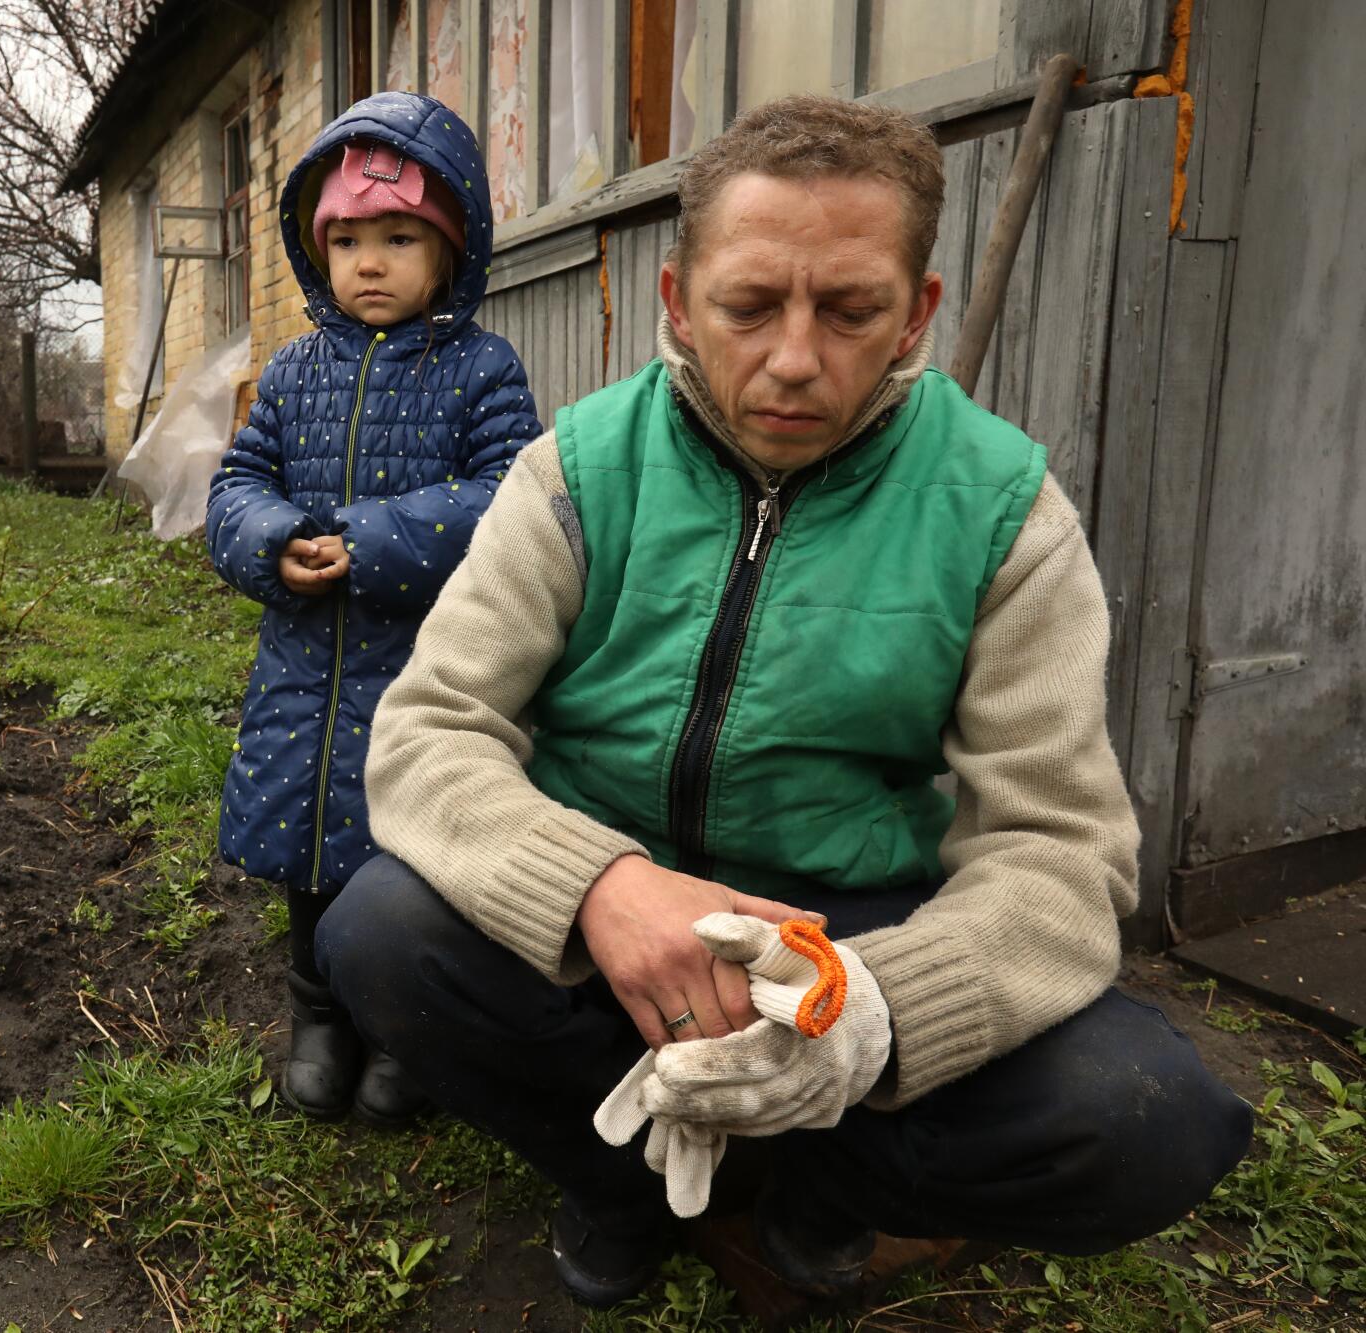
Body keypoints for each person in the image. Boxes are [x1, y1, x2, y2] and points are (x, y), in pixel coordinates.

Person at [316, 95, 1253, 1307]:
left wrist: (871, 1012)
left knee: (1147, 1119)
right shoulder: (577, 471)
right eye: (747, 306)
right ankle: (619, 1181)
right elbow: (429, 729)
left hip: (851, 928)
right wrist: (599, 885)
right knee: (376, 931)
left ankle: (825, 1190)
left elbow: (1061, 854)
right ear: (675, 303)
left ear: (915, 311)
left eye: (851, 309)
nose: (795, 358)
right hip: (617, 901)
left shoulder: (1003, 512)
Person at [205, 91, 540, 1125]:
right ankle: (318, 1016)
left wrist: (371, 540)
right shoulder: (295, 371)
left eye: (399, 237)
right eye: (346, 240)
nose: (370, 262)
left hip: (428, 670)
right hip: (303, 673)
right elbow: (234, 486)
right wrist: (271, 540)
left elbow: (507, 498)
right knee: (304, 846)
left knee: (410, 848)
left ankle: (401, 1030)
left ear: (453, 248)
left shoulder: (480, 370)